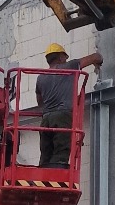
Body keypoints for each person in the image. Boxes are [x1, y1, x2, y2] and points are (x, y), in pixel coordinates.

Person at [35, 41, 101, 169]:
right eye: (65, 56)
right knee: (61, 152)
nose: (66, 59)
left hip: (46, 118)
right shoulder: (70, 66)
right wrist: (99, 61)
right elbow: (96, 57)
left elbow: (39, 100)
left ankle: (42, 178)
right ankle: (56, 178)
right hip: (63, 116)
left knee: (46, 153)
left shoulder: (40, 77)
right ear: (60, 57)